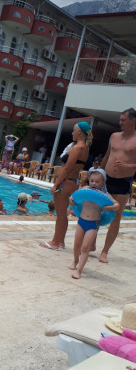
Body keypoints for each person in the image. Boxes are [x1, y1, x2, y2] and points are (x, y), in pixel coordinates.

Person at [40, 121, 91, 251]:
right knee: (63, 214)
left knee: (60, 215)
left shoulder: (77, 148)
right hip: (73, 182)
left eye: (74, 130)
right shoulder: (86, 148)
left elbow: (67, 168)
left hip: (65, 182)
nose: (72, 133)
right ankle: (61, 240)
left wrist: (56, 184)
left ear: (79, 132)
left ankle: (55, 243)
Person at [99, 108, 136, 263]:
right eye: (120, 119)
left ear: (133, 120)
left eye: (123, 120)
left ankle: (105, 252)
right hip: (107, 179)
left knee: (116, 217)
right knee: (96, 210)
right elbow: (107, 156)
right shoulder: (114, 136)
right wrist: (98, 174)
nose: (120, 122)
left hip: (123, 181)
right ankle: (91, 243)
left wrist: (127, 166)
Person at [69, 169, 119, 279]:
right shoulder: (85, 190)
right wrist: (71, 202)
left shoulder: (105, 195)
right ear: (89, 180)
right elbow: (73, 198)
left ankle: (79, 271)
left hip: (93, 224)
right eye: (92, 181)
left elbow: (117, 205)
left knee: (85, 248)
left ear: (103, 182)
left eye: (97, 182)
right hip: (81, 221)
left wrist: (110, 207)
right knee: (77, 245)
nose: (94, 184)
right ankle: (75, 261)